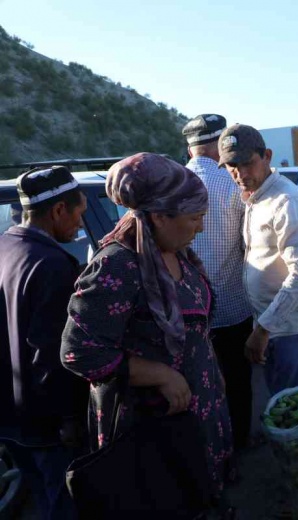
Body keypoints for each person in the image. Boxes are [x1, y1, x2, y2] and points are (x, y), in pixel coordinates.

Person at [60, 153, 233, 495]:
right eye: (195, 218)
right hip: (150, 428)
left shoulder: (173, 249)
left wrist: (213, 374)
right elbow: (79, 351)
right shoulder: (117, 267)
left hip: (197, 413)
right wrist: (161, 374)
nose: (200, 227)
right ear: (158, 217)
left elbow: (195, 330)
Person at [0, 166, 88, 519]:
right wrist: (68, 417)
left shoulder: (5, 245)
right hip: (44, 422)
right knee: (63, 504)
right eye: (79, 213)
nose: (80, 224)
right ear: (58, 211)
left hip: (8, 414)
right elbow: (52, 354)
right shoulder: (52, 265)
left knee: (39, 495)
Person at [219, 124, 298, 395]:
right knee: (282, 403)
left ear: (267, 155)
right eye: (232, 166)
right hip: (276, 326)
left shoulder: (287, 202)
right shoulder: (257, 199)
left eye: (247, 163)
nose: (240, 174)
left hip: (293, 329)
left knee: (290, 411)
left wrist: (263, 330)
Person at [182, 114, 254, 450]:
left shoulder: (176, 184)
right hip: (232, 305)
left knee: (201, 385)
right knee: (238, 379)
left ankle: (212, 448)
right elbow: (249, 243)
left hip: (189, 312)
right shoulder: (233, 185)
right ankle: (240, 443)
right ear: (219, 145)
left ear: (190, 146)